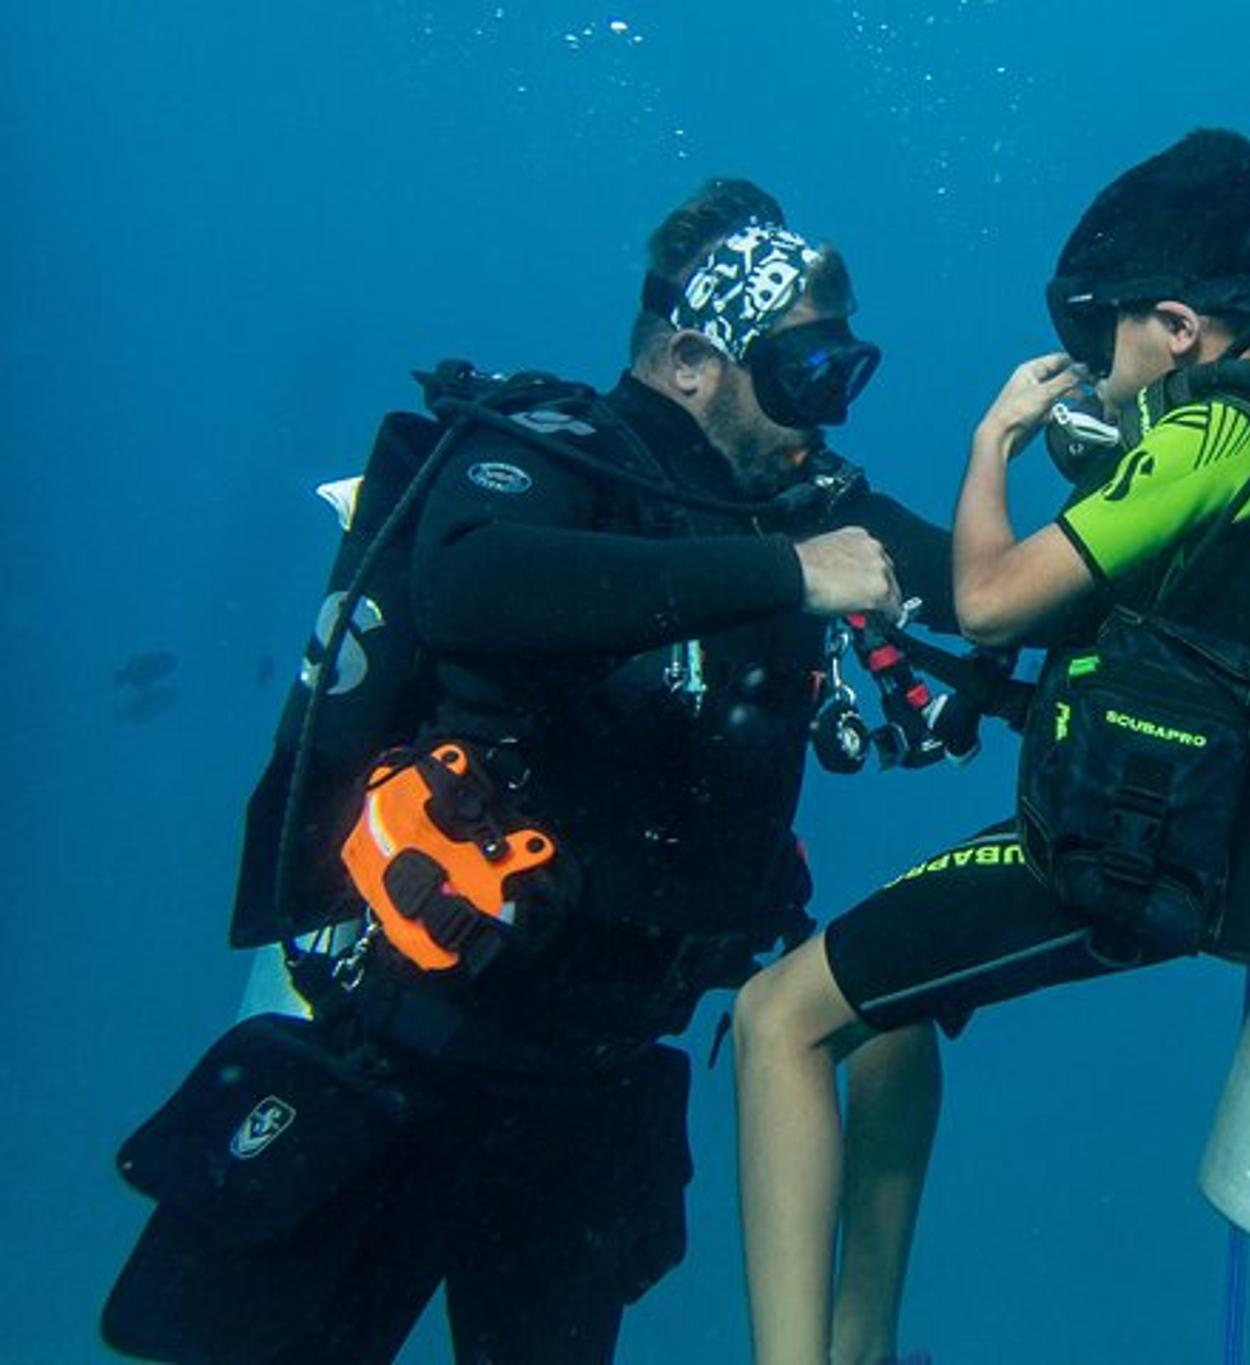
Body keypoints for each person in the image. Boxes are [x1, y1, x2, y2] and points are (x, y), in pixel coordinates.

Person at [102, 178, 957, 1365]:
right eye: (803, 371)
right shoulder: (554, 449)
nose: (829, 412)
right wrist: (788, 578)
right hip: (403, 1055)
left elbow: (980, 587)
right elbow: (468, 585)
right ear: (697, 356)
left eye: (844, 373)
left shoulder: (793, 507)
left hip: (591, 1101)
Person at [732, 130, 1250, 1365]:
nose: (1094, 372)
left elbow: (995, 599)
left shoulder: (1213, 439)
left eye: (1106, 338)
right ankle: (860, 1350)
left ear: (1174, 325)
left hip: (1127, 860)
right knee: (888, 1012)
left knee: (775, 1018)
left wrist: (989, 446)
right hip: (1236, 849)